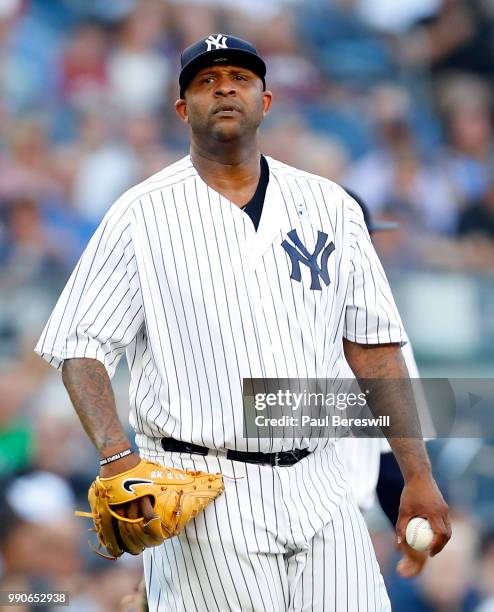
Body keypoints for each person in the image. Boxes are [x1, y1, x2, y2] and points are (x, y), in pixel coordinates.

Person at [35, 34, 450, 611]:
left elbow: (375, 348)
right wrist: (116, 457)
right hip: (204, 486)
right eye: (206, 81)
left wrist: (418, 476)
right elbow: (83, 349)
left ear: (267, 100)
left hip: (320, 479)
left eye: (240, 78)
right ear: (183, 110)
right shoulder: (141, 215)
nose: (225, 87)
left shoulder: (330, 204)